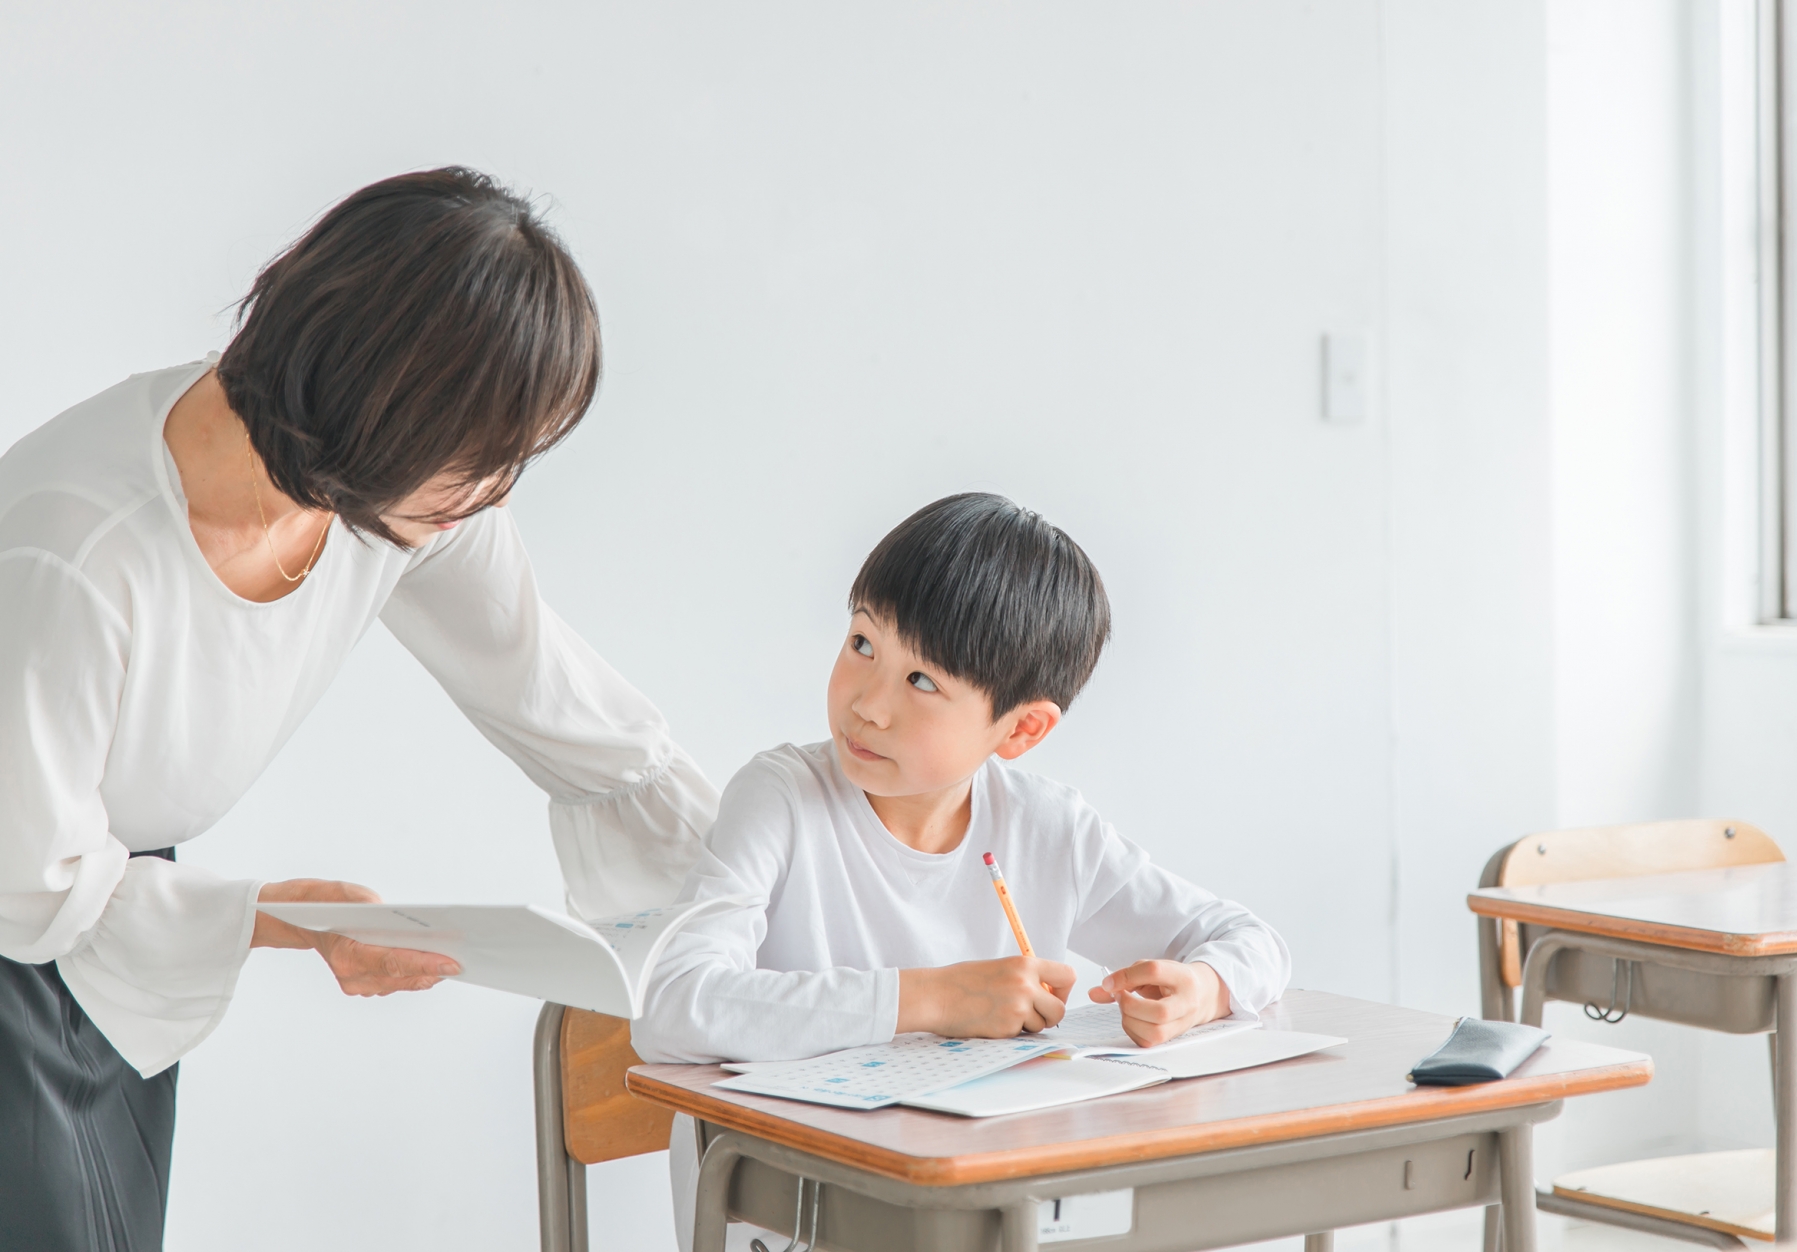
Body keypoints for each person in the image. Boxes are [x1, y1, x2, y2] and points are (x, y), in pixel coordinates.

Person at [0, 168, 718, 1252]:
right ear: (387, 409)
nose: (497, 492)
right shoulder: (76, 553)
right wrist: (291, 917)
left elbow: (564, 708)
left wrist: (767, 888)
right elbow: (27, 885)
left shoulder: (394, 499)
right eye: (485, 455)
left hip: (106, 927)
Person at [632, 491, 1289, 1250]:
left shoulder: (1047, 826)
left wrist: (1206, 987)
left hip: (983, 1203)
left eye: (922, 683)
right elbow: (671, 1009)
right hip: (796, 1206)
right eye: (863, 644)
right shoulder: (782, 798)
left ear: (1020, 729)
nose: (869, 705)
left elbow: (1245, 936)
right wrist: (933, 997)